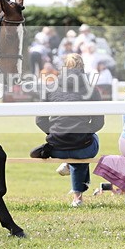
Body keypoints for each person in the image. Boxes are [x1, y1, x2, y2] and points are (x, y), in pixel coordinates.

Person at [32, 53, 104, 207]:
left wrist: (56, 134)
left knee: (77, 145)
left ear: (63, 68)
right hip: (83, 148)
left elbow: (39, 120)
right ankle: (77, 197)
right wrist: (83, 133)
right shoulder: (91, 89)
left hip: (57, 149)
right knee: (88, 141)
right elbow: (99, 122)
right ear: (82, 68)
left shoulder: (49, 87)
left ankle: (72, 178)